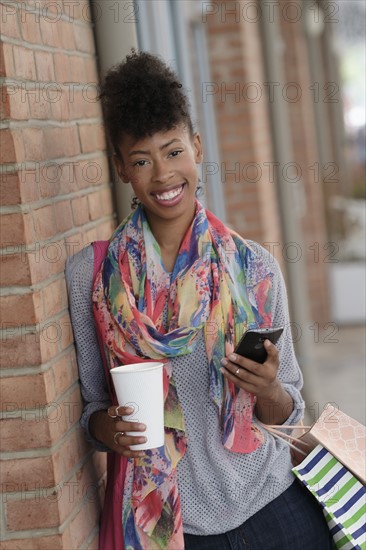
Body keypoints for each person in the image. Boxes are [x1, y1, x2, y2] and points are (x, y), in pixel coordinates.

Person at [65, 50, 333, 550]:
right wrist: (111, 427)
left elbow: (288, 414)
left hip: (276, 511)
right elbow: (94, 414)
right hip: (179, 530)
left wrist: (269, 388)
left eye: (173, 151)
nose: (163, 175)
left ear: (197, 146)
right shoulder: (93, 277)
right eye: (142, 160)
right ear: (122, 168)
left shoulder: (255, 269)